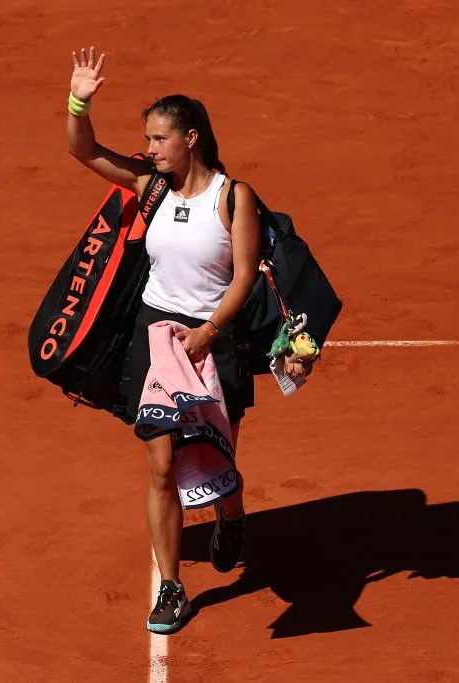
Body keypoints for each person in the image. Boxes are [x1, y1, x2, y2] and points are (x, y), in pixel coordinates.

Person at [65, 46, 310, 634]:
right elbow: (84, 150)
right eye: (147, 139)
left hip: (214, 341)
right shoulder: (152, 188)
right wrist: (79, 99)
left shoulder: (233, 197)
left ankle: (230, 516)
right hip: (158, 336)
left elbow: (246, 275)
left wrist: (210, 330)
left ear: (190, 138)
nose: (149, 149)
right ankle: (173, 587)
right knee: (160, 464)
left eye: (158, 138)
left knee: (216, 454)